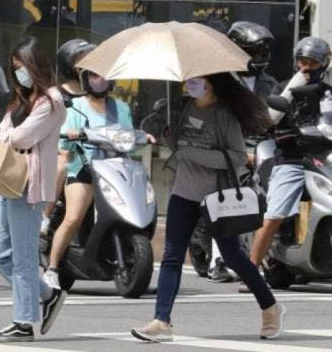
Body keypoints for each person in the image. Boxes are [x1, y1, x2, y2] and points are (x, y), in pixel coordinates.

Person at [131, 73, 283, 342]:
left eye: (197, 80)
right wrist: (168, 138)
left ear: (211, 83)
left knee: (233, 257)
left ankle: (270, 306)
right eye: (189, 80)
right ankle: (161, 321)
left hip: (217, 199)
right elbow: (179, 147)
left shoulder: (223, 114)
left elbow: (237, 157)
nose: (191, 84)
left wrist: (194, 154)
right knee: (171, 256)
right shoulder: (183, 106)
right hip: (183, 193)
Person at [0, 36, 67, 342]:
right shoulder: (22, 100)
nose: (18, 73)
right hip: (8, 182)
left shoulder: (52, 101)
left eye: (21, 67)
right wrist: (10, 134)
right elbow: (2, 131)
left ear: (35, 66)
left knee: (23, 257)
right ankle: (47, 294)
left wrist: (10, 134)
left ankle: (23, 322)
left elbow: (20, 138)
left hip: (29, 187)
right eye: (14, 68)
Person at [44, 68, 141, 289]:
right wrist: (69, 136)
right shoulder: (76, 107)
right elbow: (65, 145)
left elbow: (128, 137)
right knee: (74, 217)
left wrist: (142, 137)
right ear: (85, 80)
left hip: (115, 170)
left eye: (104, 76)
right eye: (94, 76)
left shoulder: (121, 107)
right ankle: (53, 267)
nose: (100, 80)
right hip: (84, 168)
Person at [249, 37, 332, 286]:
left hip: (322, 158)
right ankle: (251, 272)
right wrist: (291, 88)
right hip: (292, 160)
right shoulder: (283, 88)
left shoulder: (328, 93)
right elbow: (270, 119)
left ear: (324, 64)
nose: (306, 67)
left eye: (313, 63)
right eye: (302, 61)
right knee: (275, 215)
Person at [202, 21, 277, 283]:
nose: (256, 58)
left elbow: (278, 116)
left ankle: (272, 254)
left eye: (260, 52)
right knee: (224, 196)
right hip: (226, 149)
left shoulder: (271, 84)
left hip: (263, 149)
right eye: (250, 51)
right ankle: (218, 260)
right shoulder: (217, 83)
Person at [44, 39, 96, 234]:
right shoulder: (57, 94)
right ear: (68, 64)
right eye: (81, 59)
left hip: (90, 150)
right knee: (62, 164)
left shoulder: (96, 92)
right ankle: (44, 216)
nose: (88, 63)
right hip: (62, 147)